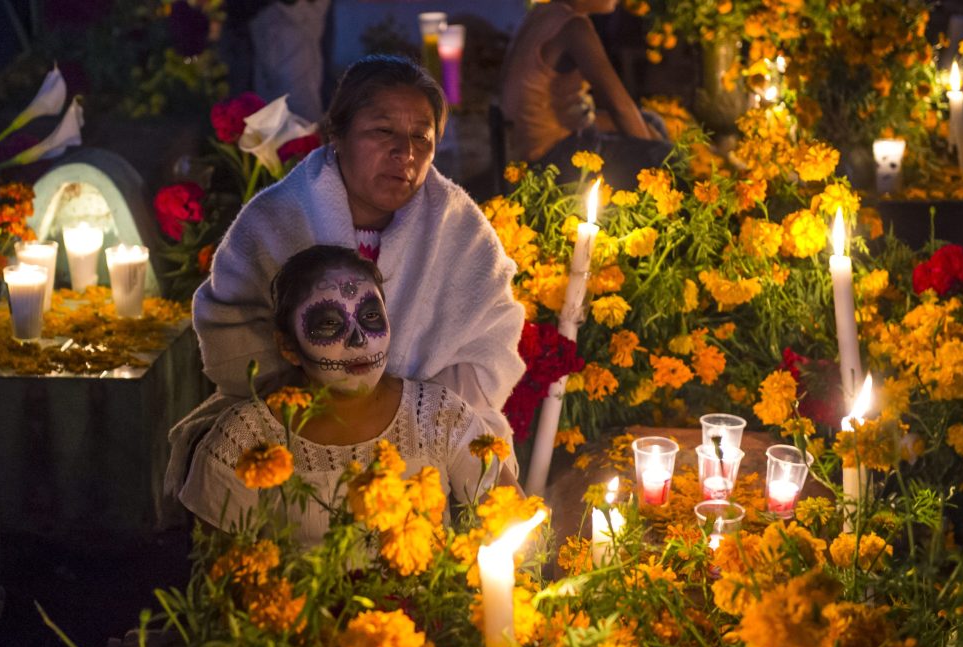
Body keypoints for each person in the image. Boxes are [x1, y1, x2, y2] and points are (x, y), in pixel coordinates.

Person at [166, 55, 525, 496]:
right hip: (296, 425)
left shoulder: (461, 230)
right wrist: (332, 406)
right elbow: (230, 333)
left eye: (421, 137)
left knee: (490, 491)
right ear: (337, 134)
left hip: (428, 435)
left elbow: (490, 350)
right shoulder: (276, 217)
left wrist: (403, 413)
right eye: (382, 131)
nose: (405, 153)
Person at [179, 246, 512, 544]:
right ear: (288, 347)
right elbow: (219, 585)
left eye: (370, 317)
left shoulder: (439, 417)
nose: (359, 341)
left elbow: (513, 524)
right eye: (329, 324)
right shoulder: (245, 441)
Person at [499, 0, 673, 189]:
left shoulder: (547, 11)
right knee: (666, 158)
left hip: (537, 139)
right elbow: (619, 106)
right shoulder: (574, 27)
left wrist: (644, 132)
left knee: (651, 122)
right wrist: (656, 155)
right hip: (548, 158)